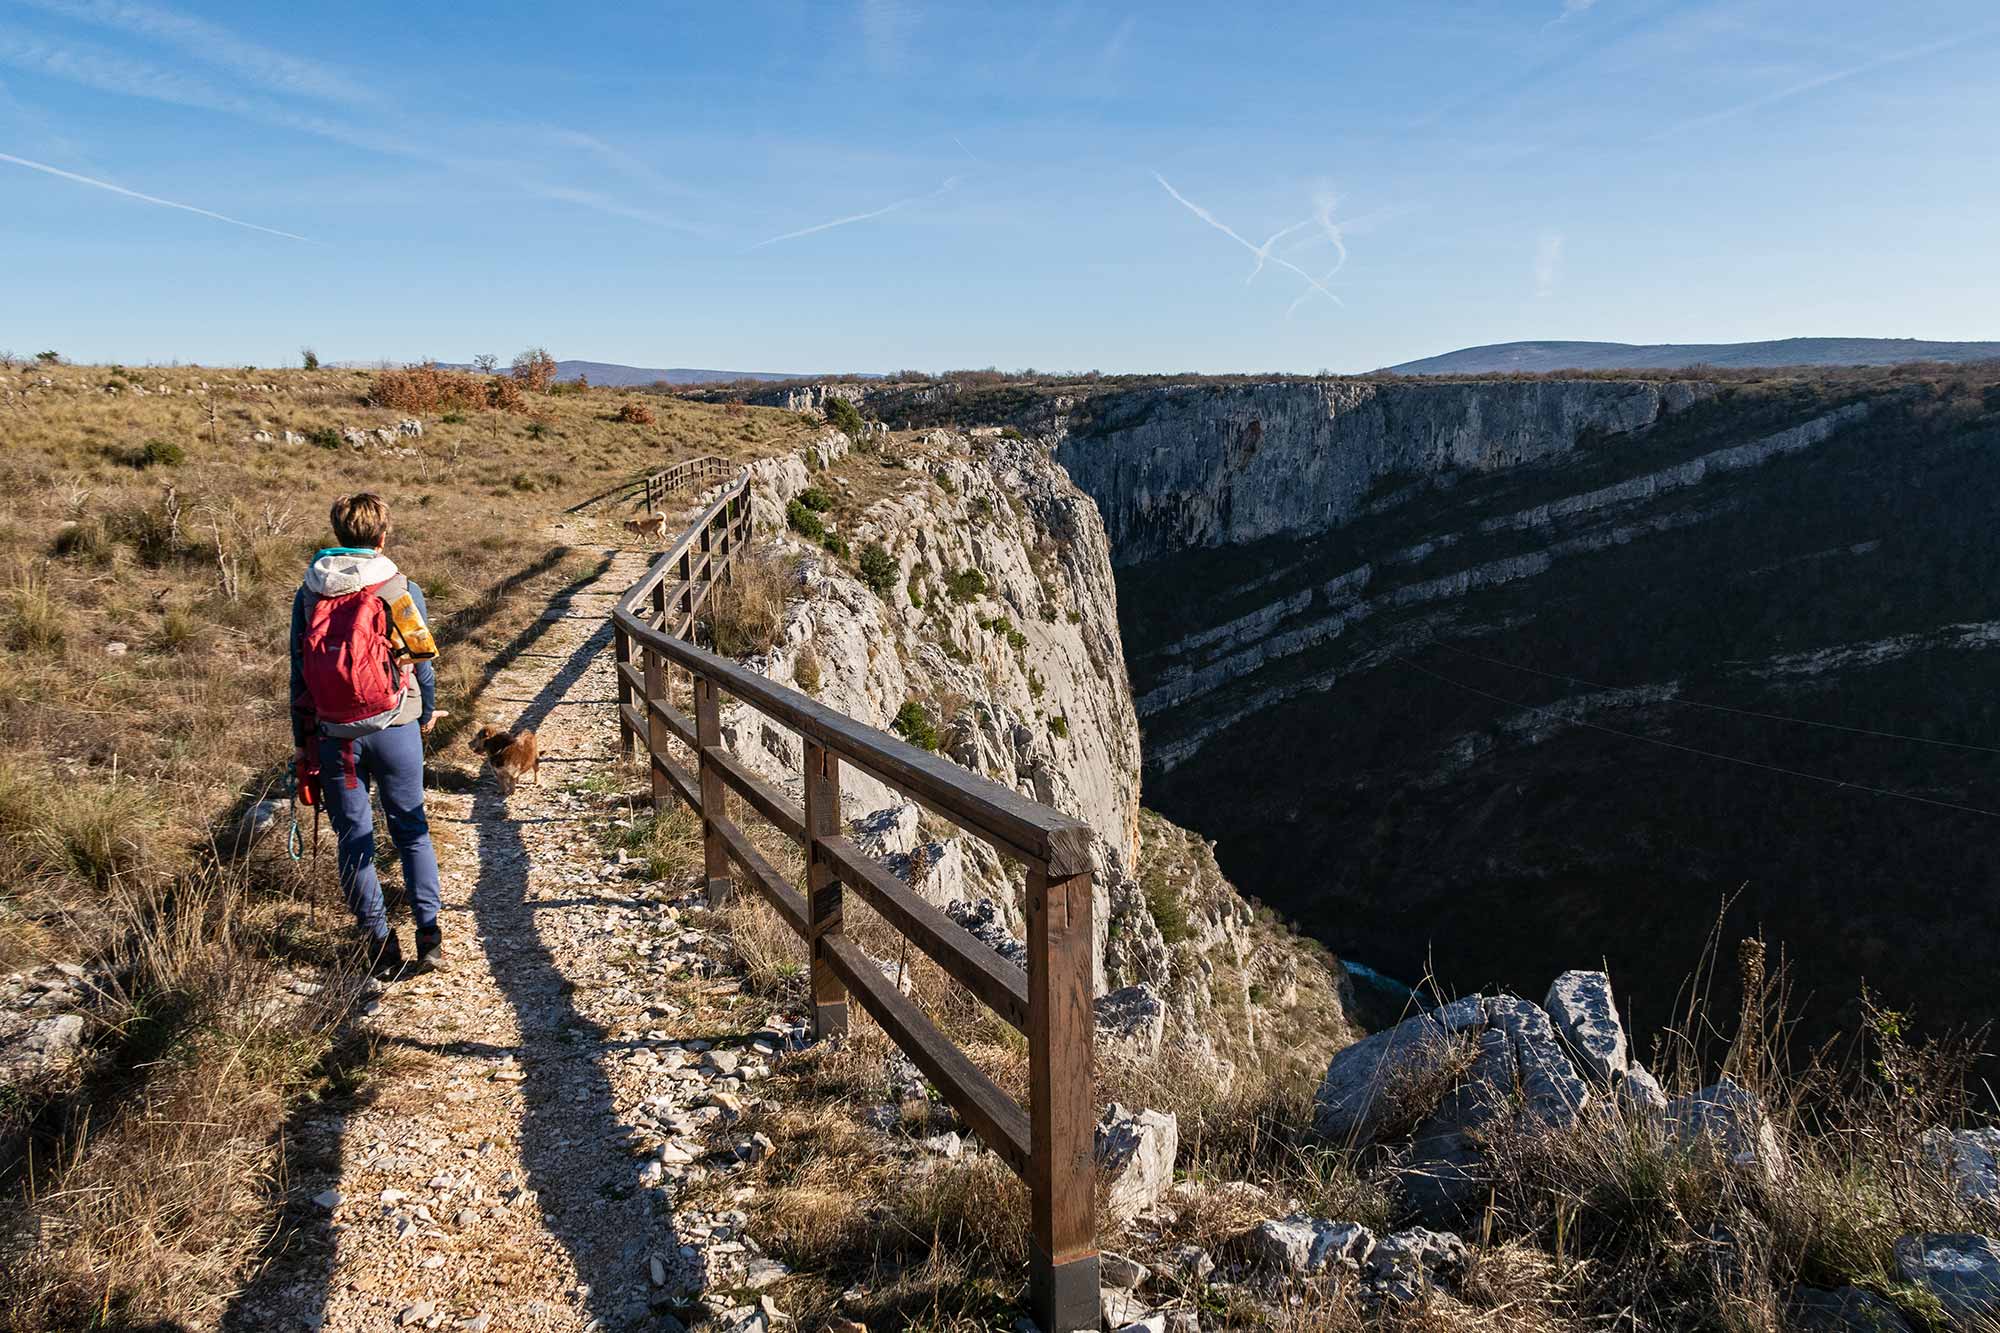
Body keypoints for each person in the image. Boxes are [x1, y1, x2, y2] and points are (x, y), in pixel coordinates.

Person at [290, 492, 444, 978]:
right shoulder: (398, 587)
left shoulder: (310, 592)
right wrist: (427, 713)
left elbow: (299, 675)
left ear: (337, 534)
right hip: (396, 724)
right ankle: (429, 934)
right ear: (382, 535)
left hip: (336, 735)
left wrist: (303, 739)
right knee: (411, 830)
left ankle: (379, 942)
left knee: (354, 838)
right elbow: (422, 660)